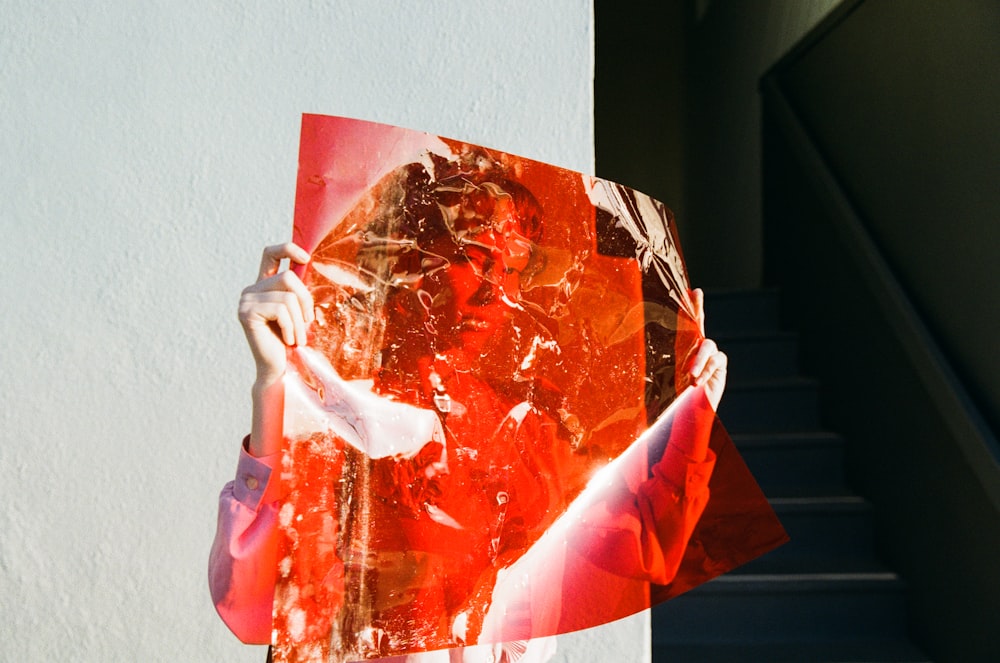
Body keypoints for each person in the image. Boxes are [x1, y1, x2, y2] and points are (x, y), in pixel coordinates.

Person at [210, 161, 728, 662]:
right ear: (412, 261)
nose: (496, 292)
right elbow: (255, 613)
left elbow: (647, 548)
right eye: (477, 259)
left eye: (514, 270)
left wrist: (692, 406)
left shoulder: (519, 427)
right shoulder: (343, 411)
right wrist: (274, 387)